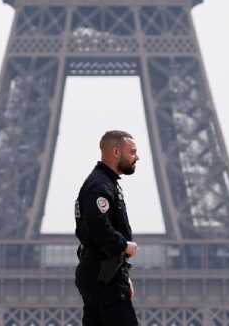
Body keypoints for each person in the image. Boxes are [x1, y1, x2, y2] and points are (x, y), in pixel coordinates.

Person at [74, 130, 140, 325]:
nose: (137, 157)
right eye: (132, 152)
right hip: (104, 277)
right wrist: (123, 246)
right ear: (116, 152)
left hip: (103, 273)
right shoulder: (100, 186)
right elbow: (97, 226)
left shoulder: (105, 183)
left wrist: (121, 273)